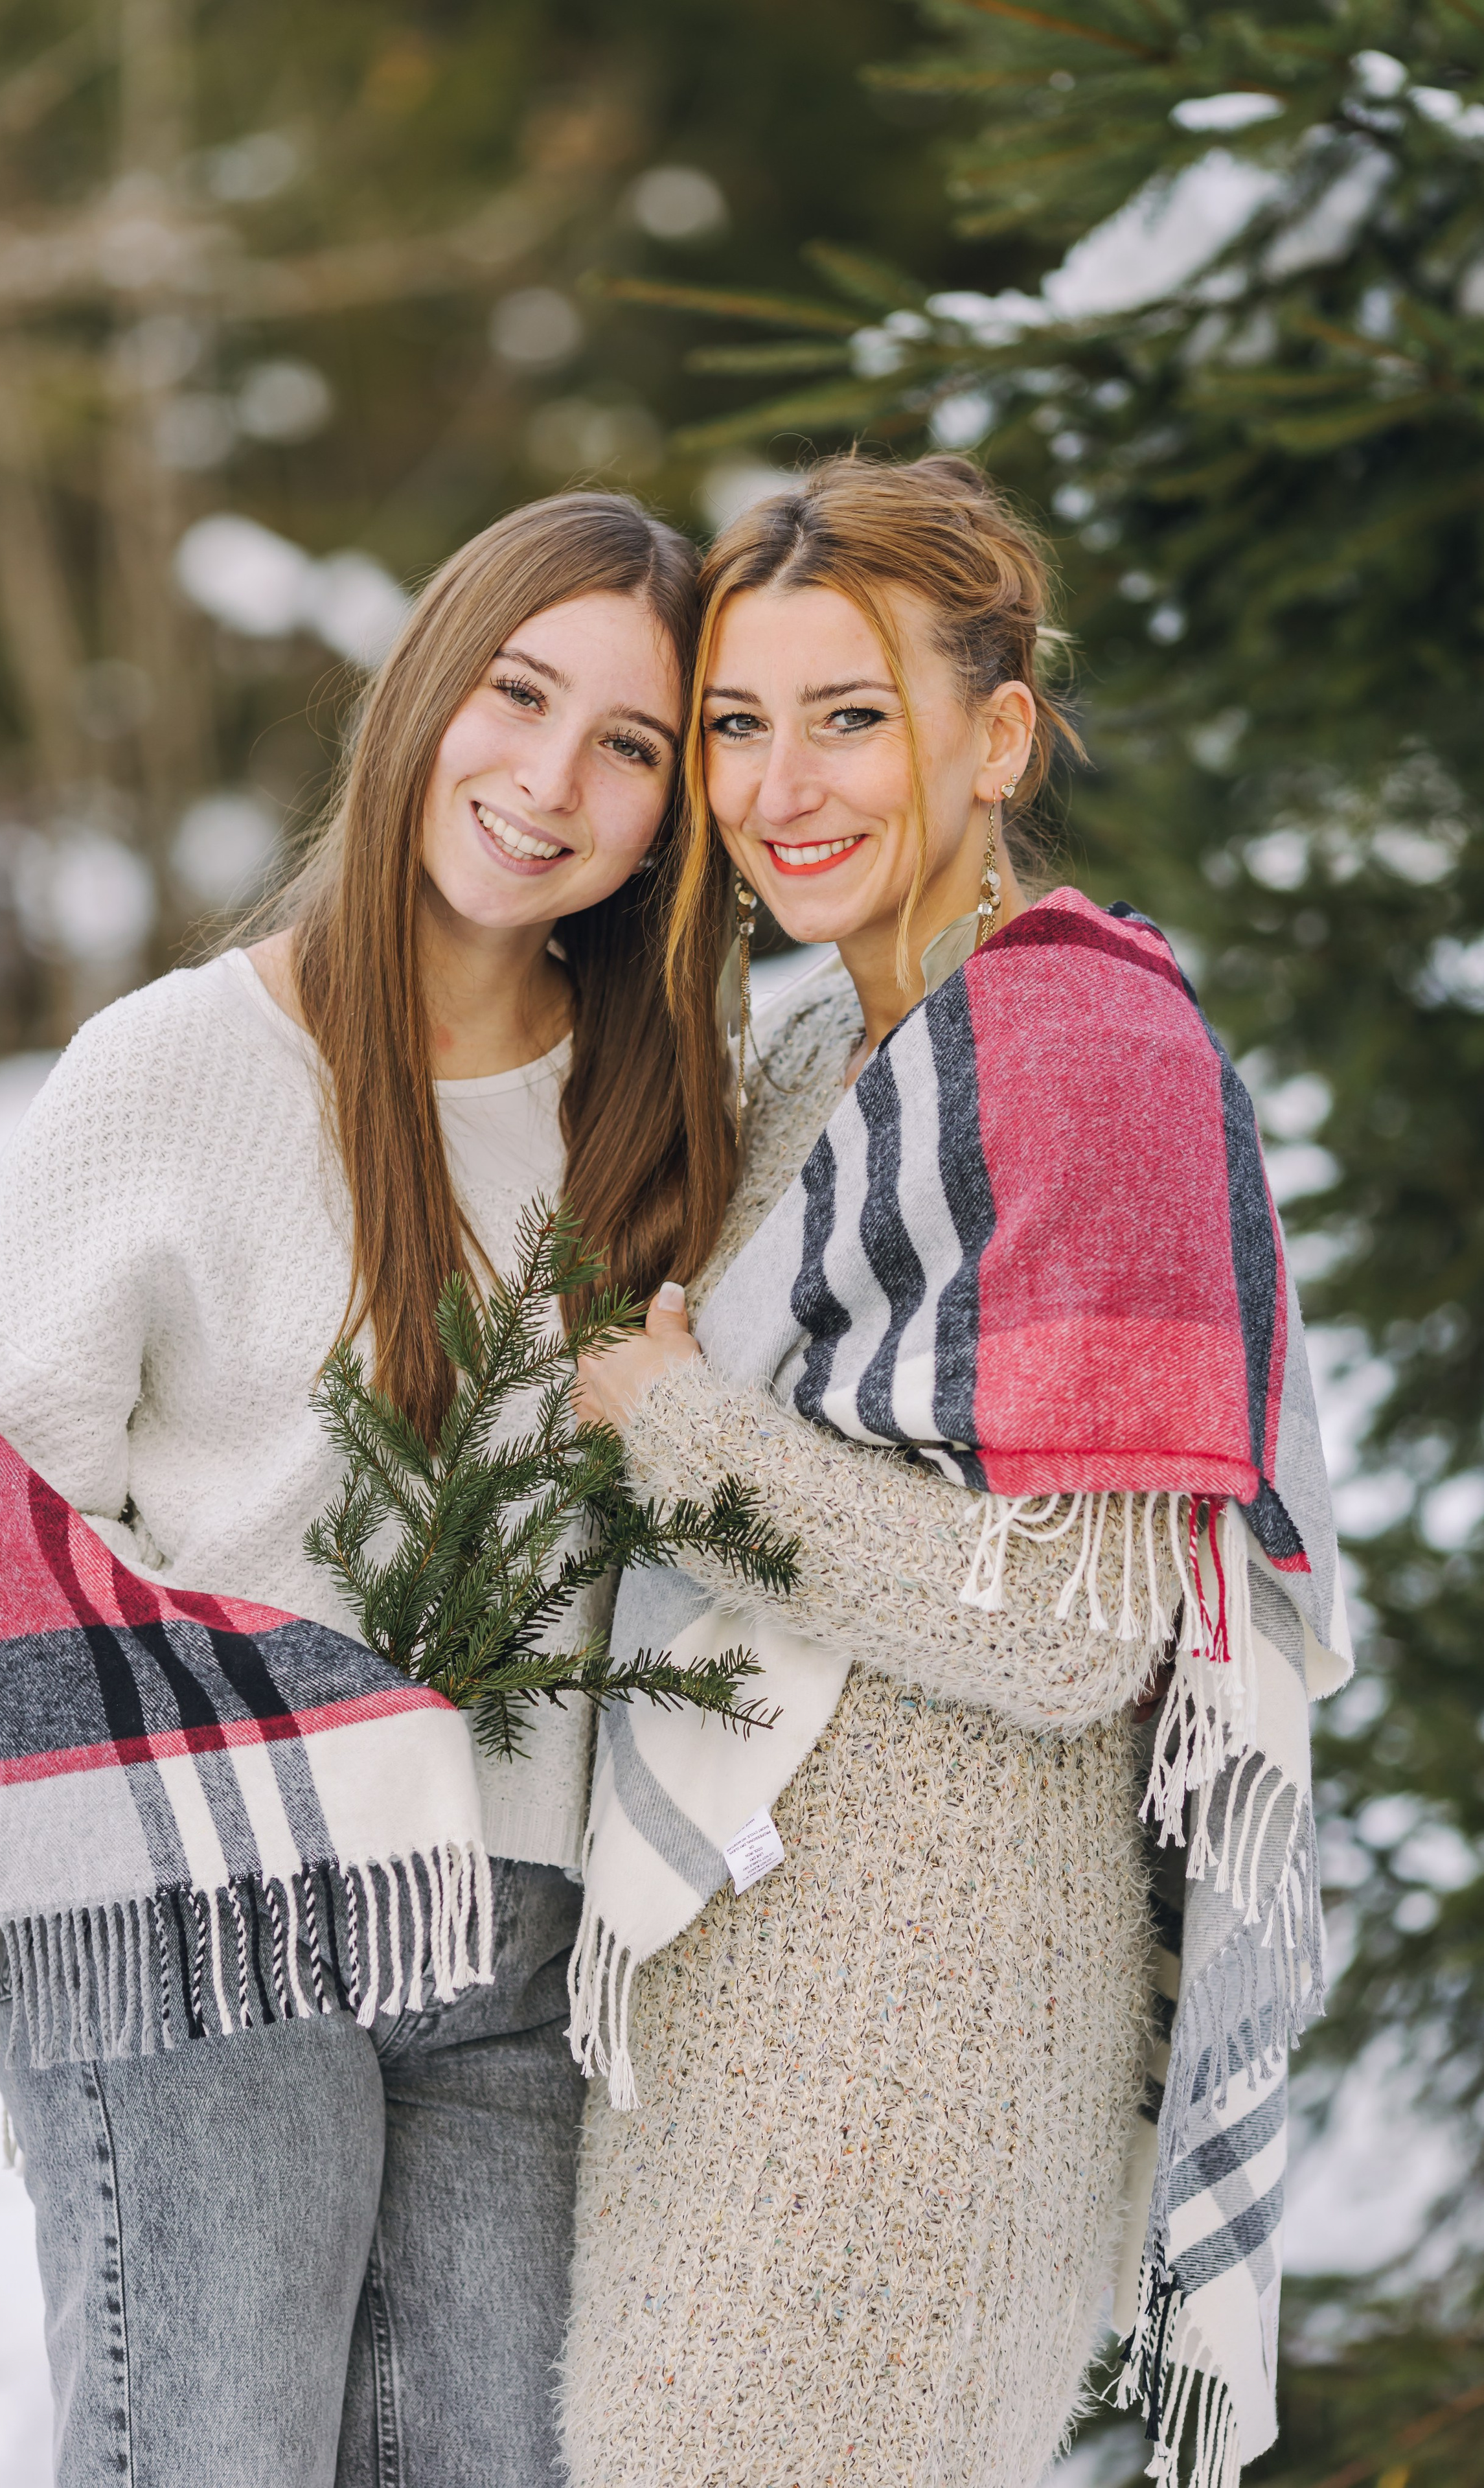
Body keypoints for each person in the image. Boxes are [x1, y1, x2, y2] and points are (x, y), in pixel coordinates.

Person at [0, 492, 731, 2488]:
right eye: (520, 696)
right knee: (210, 2452)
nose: (551, 780)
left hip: (517, 1944)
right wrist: (285, 1744)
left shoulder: (667, 1110)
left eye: (628, 746)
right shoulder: (171, 1069)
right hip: (213, 1907)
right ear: (425, 690)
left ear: (672, 813)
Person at [562, 454, 1349, 2488]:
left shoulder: (1087, 1057)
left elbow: (1084, 1623)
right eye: (739, 723)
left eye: (850, 716)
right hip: (743, 1994)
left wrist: (680, 1439)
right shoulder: (826, 1048)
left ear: (997, 736)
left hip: (925, 2030)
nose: (779, 785)